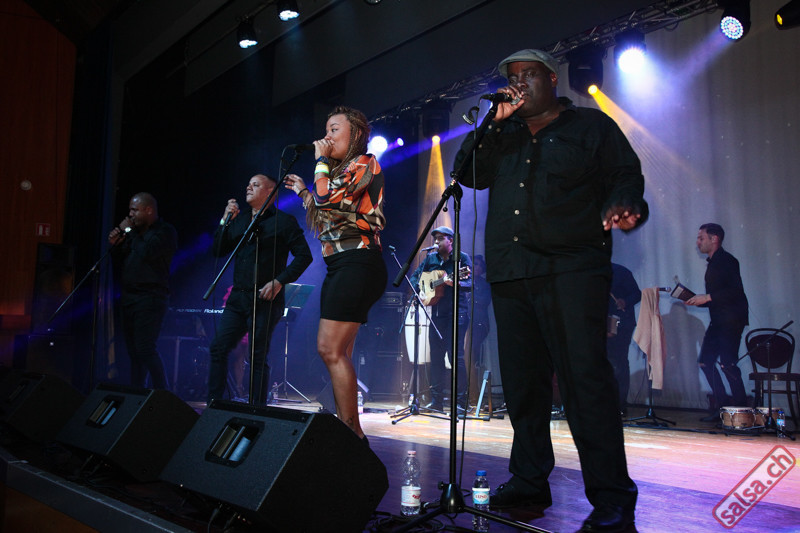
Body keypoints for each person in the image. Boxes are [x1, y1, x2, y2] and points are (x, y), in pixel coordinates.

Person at [453, 49, 648, 532]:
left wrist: (625, 203)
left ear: (552, 78)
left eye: (529, 75)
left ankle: (612, 496)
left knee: (585, 383)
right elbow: (467, 174)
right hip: (511, 270)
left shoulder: (591, 126)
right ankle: (528, 480)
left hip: (571, 269)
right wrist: (493, 125)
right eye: (512, 77)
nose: (519, 83)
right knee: (524, 386)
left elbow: (625, 175)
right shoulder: (502, 132)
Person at [284, 106, 387, 443]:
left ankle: (352, 434)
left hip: (358, 261)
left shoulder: (365, 163)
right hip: (340, 264)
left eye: (334, 130)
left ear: (355, 134)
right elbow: (325, 210)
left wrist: (320, 161)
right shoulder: (338, 173)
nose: (326, 137)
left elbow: (328, 199)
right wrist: (304, 192)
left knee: (329, 349)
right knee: (339, 351)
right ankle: (348, 431)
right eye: (326, 130)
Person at [207, 174, 312, 406]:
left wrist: (279, 281)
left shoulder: (283, 222)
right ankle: (214, 404)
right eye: (248, 184)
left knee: (257, 356)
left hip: (265, 299)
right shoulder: (241, 219)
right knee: (218, 348)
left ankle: (256, 409)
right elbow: (218, 250)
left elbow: (304, 256)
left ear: (270, 192)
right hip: (238, 297)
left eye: (255, 185)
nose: (248, 187)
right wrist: (225, 220)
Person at [108, 192, 177, 390]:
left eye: (134, 210)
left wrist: (129, 232)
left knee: (145, 348)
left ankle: (162, 391)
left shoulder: (165, 232)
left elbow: (148, 252)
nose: (130, 215)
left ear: (148, 210)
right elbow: (122, 259)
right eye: (130, 210)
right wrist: (115, 244)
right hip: (129, 297)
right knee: (133, 352)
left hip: (151, 297)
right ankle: (137, 392)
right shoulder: (134, 235)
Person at [685, 223, 748, 421]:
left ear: (714, 239)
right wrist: (698, 300)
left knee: (727, 364)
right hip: (719, 320)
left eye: (701, 238)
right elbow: (717, 297)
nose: (698, 242)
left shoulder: (727, 261)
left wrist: (707, 297)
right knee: (706, 362)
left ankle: (742, 412)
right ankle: (722, 409)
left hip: (731, 320)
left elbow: (735, 291)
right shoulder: (713, 263)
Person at [409, 226, 472, 412]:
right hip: (436, 314)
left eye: (440, 238)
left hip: (457, 314)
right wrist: (421, 291)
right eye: (435, 238)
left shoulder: (462, 258)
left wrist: (455, 282)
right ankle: (436, 401)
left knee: (455, 357)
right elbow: (415, 278)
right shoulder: (430, 259)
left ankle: (461, 402)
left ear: (450, 240)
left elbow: (470, 283)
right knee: (436, 357)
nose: (436, 242)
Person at [607, 263, 642, 416]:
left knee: (618, 361)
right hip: (600, 322)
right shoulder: (590, 273)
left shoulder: (620, 271)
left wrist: (624, 301)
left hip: (620, 323)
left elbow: (637, 294)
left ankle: (620, 404)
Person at [464, 254, 491, 405]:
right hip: (466, 323)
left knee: (470, 356)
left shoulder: (485, 284)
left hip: (479, 324)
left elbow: (485, 301)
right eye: (473, 264)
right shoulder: (465, 281)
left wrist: (471, 295)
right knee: (464, 356)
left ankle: (474, 395)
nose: (475, 267)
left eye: (478, 265)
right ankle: (466, 393)